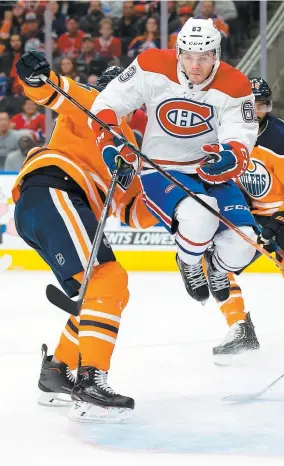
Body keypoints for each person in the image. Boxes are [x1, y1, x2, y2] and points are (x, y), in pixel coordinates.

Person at [13, 53, 157, 421]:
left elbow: (131, 212)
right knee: (110, 279)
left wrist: (171, 202)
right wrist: (35, 75)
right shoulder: (93, 103)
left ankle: (57, 371)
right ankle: (91, 377)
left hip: (52, 202)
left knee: (106, 292)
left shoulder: (130, 149)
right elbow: (53, 90)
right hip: (56, 190)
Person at [90, 18, 259, 306]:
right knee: (200, 218)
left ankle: (216, 268)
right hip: (162, 170)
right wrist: (111, 142)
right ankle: (190, 262)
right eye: (189, 57)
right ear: (178, 52)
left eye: (203, 58)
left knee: (243, 244)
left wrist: (231, 155)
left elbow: (240, 133)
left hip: (210, 170)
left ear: (216, 55)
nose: (195, 66)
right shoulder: (151, 64)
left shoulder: (236, 84)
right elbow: (105, 104)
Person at [211, 77, 284, 363]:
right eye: (250, 105)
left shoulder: (282, 139)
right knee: (215, 264)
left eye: (261, 105)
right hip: (255, 215)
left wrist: (279, 222)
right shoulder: (226, 137)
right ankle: (240, 328)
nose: (255, 112)